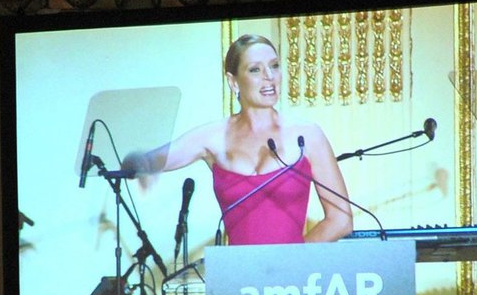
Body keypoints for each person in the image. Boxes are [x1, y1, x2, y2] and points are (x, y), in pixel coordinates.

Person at [123, 33, 353, 246]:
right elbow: (150, 160)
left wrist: (292, 259)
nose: (269, 77)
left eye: (274, 66)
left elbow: (340, 220)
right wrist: (138, 163)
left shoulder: (308, 135)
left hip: (292, 283)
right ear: (233, 82)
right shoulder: (212, 136)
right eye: (255, 70)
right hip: (238, 282)